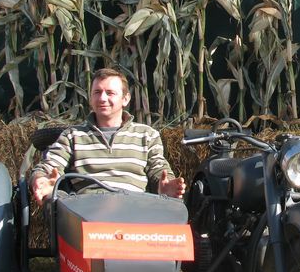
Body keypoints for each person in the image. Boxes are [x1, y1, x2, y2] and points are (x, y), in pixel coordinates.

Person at [30, 67, 186, 204]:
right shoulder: (73, 135)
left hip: (135, 208)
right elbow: (49, 165)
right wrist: (41, 180)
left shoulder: (147, 135)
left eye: (110, 93)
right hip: (86, 209)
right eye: (97, 92)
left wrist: (165, 186)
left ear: (125, 99)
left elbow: (159, 169)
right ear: (90, 98)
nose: (102, 98)